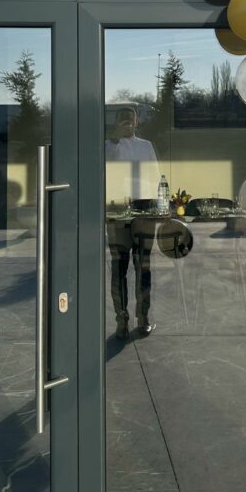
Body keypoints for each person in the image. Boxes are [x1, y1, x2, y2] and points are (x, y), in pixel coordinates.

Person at [105, 107, 159, 340]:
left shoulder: (146, 146)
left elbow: (155, 176)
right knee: (119, 266)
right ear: (116, 123)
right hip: (117, 209)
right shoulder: (108, 146)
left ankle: (143, 316)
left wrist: (157, 207)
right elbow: (103, 170)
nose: (127, 124)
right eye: (123, 120)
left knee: (143, 265)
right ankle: (121, 320)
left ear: (137, 122)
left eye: (130, 120)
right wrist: (115, 139)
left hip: (144, 209)